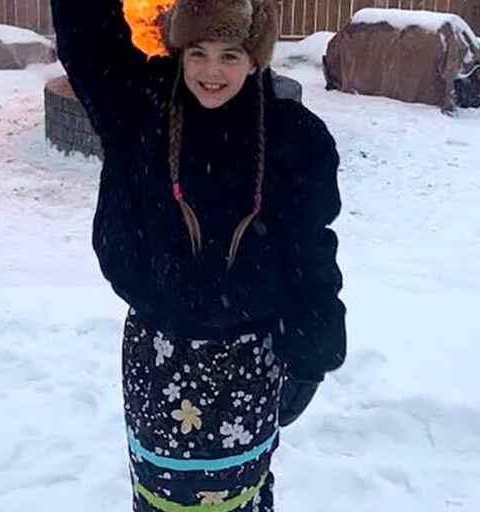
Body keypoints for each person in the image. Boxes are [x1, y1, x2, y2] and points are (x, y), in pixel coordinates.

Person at [51, 0, 346, 509]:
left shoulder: (295, 138)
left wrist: (311, 355)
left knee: (239, 497)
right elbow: (88, 40)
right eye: (199, 53)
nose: (212, 71)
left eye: (230, 54)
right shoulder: (140, 110)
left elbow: (311, 254)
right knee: (165, 498)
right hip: (159, 354)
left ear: (255, 59)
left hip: (250, 358)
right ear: (181, 52)